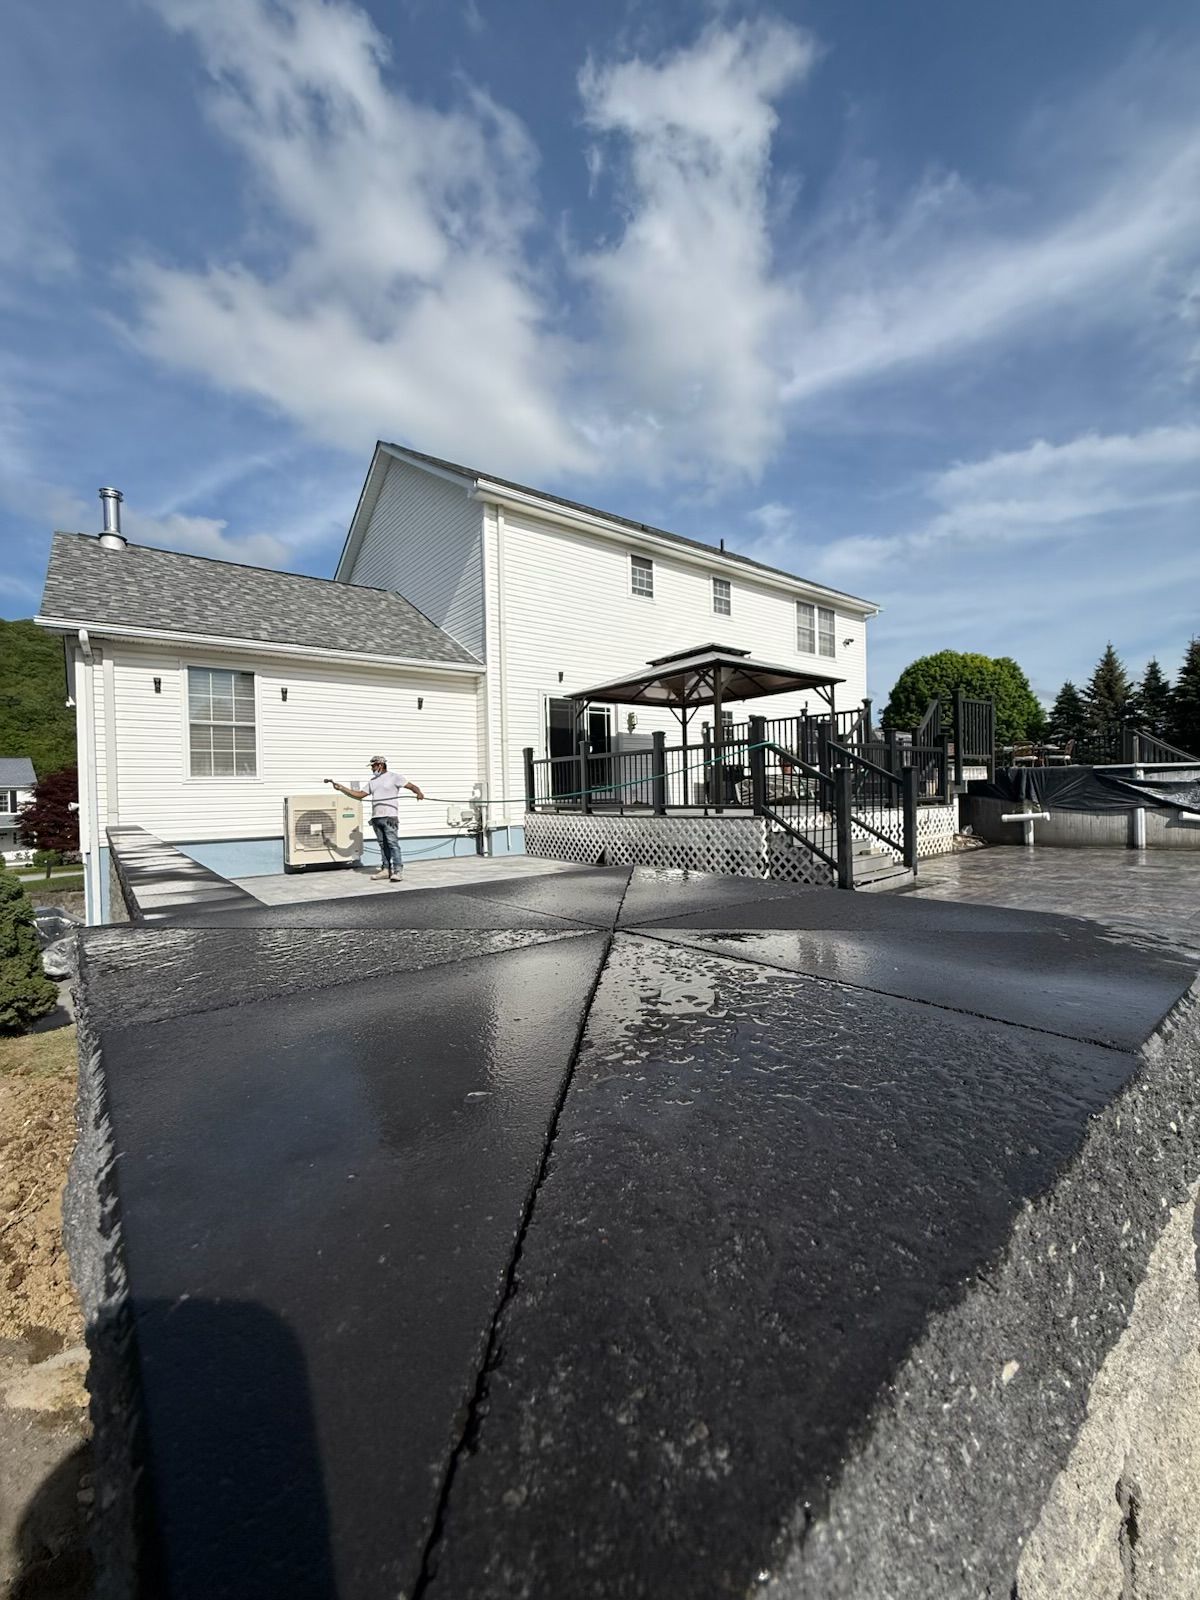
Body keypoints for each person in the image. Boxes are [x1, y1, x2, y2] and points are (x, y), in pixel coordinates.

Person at [325, 757, 424, 883]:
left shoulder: (394, 777)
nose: (372, 769)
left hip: (390, 817)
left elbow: (411, 786)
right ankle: (386, 870)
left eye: (373, 766)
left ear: (380, 765)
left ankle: (397, 871)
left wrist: (419, 793)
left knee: (392, 844)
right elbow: (360, 794)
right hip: (376, 817)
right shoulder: (372, 782)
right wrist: (342, 788)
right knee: (383, 845)